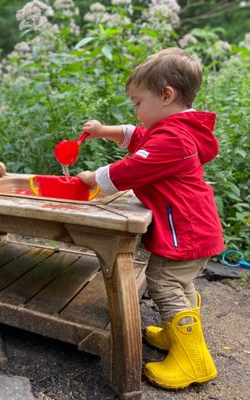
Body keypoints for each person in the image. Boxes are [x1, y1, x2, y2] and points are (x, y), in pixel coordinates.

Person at [77, 47, 224, 389]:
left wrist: (94, 178)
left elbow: (134, 167)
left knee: (163, 281)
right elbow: (136, 135)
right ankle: (179, 335)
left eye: (137, 102)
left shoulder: (173, 137)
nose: (135, 109)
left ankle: (193, 361)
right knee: (180, 284)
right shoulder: (173, 129)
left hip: (186, 230)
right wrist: (103, 130)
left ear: (166, 95)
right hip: (194, 229)